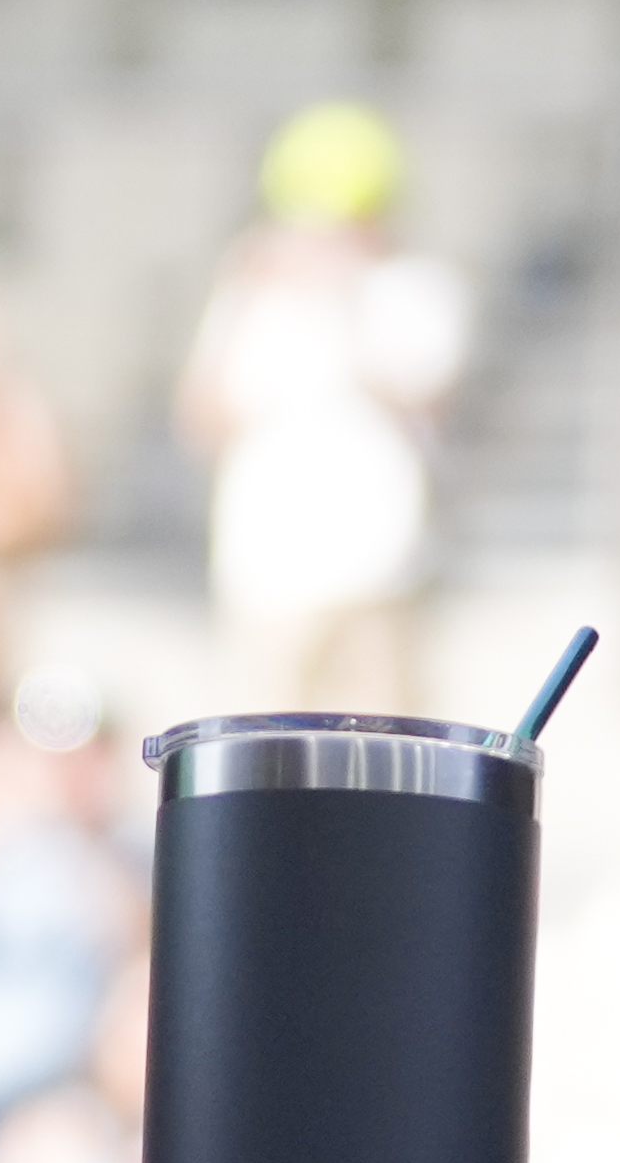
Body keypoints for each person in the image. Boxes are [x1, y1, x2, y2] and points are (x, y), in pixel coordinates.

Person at [182, 100, 471, 709]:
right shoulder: (254, 294)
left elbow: (423, 400)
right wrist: (242, 292)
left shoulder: (414, 289)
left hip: (379, 573)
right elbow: (203, 417)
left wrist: (344, 298)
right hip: (266, 577)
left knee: (383, 764)